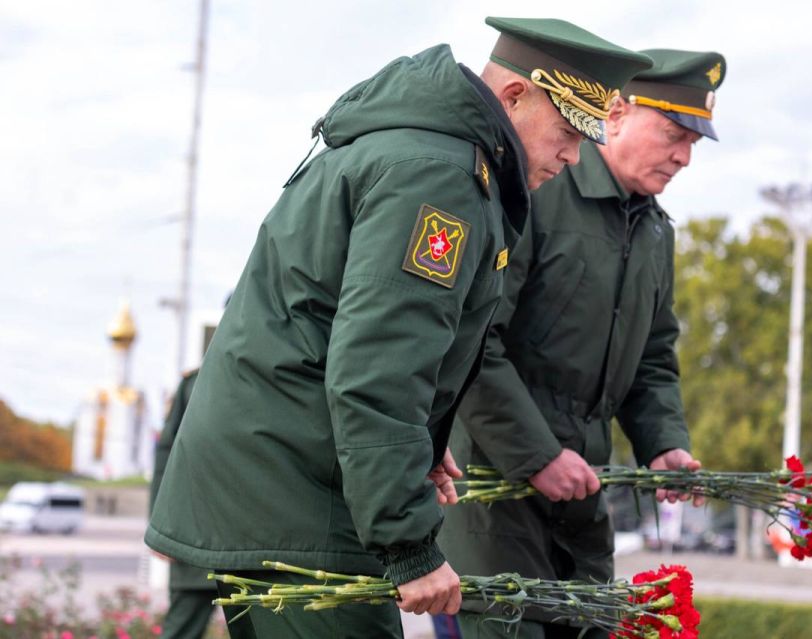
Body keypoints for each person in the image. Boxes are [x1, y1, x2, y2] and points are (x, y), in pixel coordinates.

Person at [145, 17, 652, 639]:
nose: (574, 156)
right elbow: (376, 371)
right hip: (300, 502)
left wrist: (422, 440)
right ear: (517, 96)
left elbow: (346, 337)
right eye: (569, 131)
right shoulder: (437, 176)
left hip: (276, 480)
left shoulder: (418, 149)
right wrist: (409, 544)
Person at [438, 49, 728, 639]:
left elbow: (652, 360)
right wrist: (537, 455)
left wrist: (664, 444)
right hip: (494, 495)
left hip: (582, 495)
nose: (684, 157)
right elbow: (472, 342)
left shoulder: (653, 229)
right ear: (615, 113)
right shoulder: (539, 190)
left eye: (694, 143)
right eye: (674, 133)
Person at [149, 368, 216, 639]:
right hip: (195, 530)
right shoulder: (195, 382)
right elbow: (168, 454)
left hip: (262, 534)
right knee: (181, 629)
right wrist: (163, 525)